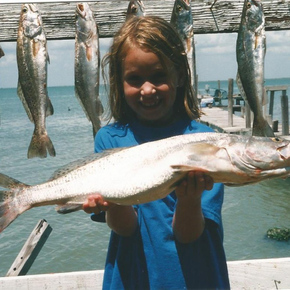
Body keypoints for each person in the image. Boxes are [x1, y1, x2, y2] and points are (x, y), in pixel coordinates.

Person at [83, 15, 230, 289]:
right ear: (119, 82)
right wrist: (114, 201)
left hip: (196, 278)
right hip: (133, 278)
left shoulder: (206, 143)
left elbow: (188, 236)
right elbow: (126, 228)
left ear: (180, 76)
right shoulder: (109, 139)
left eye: (159, 76)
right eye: (135, 79)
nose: (147, 89)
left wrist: (190, 199)